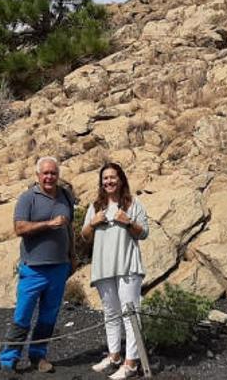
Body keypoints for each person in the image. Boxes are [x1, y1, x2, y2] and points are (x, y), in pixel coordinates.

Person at [0, 156, 75, 373]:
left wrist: (73, 255)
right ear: (38, 175)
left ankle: (37, 356)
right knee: (22, 314)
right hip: (33, 268)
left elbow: (69, 227)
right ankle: (9, 359)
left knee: (48, 316)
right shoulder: (27, 198)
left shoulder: (65, 197)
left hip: (59, 267)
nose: (49, 177)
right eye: (46, 173)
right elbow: (19, 228)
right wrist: (49, 224)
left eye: (53, 173)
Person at [81, 162, 150, 380]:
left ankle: (131, 363)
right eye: (105, 178)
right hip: (103, 268)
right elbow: (84, 236)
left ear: (121, 179)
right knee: (111, 313)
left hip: (128, 266)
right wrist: (92, 223)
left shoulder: (133, 204)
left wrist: (128, 222)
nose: (109, 181)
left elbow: (144, 233)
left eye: (113, 177)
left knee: (130, 314)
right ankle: (114, 356)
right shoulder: (95, 206)